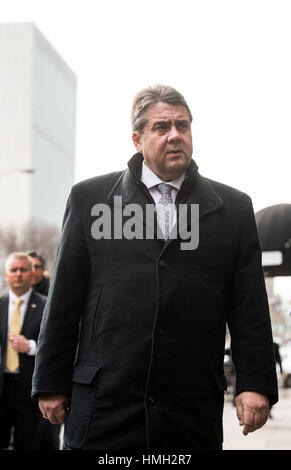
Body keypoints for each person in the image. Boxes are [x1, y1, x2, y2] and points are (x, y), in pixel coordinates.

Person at [32, 85, 278, 450]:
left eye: (183, 125)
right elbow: (63, 299)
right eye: (162, 127)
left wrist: (255, 382)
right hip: (105, 403)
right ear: (137, 138)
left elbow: (249, 308)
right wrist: (50, 381)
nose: (175, 135)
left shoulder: (233, 209)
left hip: (189, 406)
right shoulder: (90, 199)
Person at [0, 252, 58, 449]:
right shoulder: (0, 304)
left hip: (29, 391)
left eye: (23, 270)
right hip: (2, 388)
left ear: (32, 274)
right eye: (13, 270)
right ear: (6, 275)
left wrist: (31, 347)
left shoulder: (46, 306)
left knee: (28, 443)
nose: (18, 274)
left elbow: (58, 344)